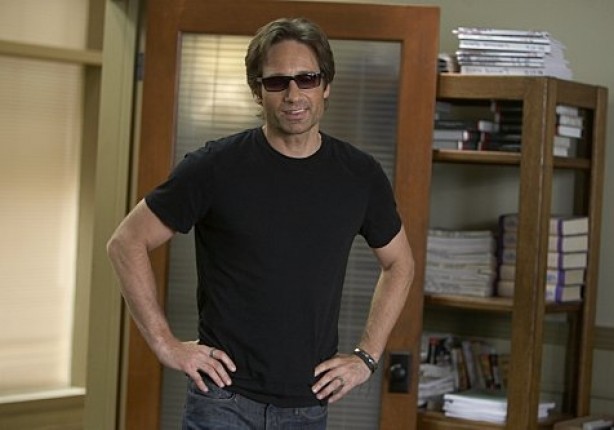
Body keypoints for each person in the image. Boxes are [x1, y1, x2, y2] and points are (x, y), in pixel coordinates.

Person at [107, 17, 414, 430]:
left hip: (307, 405)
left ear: (326, 85)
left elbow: (400, 263)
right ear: (257, 90)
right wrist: (165, 344)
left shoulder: (360, 175)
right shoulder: (214, 167)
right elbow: (125, 242)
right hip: (222, 401)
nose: (293, 94)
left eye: (307, 79)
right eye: (277, 82)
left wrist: (367, 357)